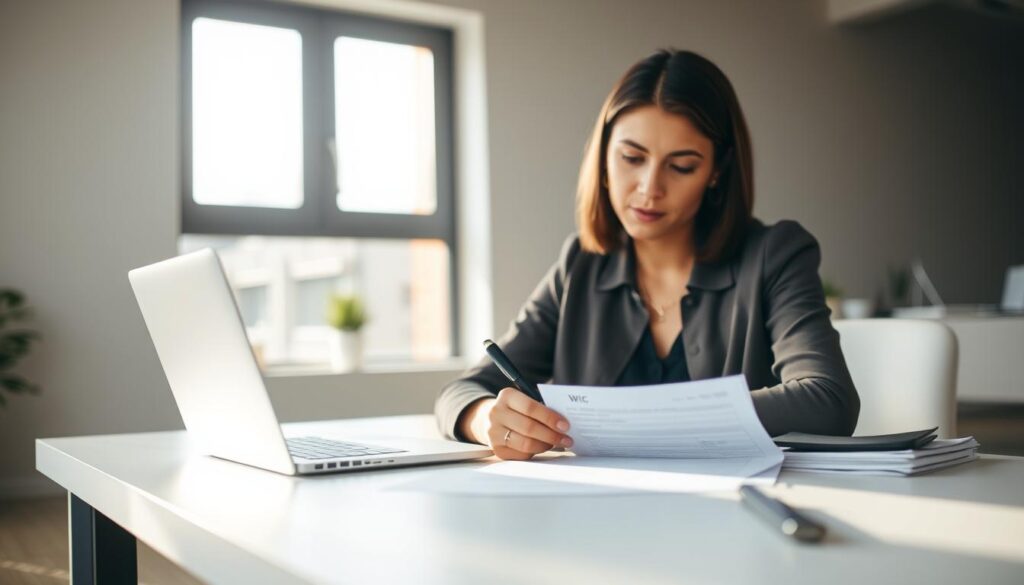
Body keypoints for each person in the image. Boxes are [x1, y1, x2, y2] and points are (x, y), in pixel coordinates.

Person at [435, 49, 859, 461]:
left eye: (682, 166)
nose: (649, 188)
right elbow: (462, 392)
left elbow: (828, 399)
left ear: (716, 171)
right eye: (632, 158)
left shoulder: (775, 255)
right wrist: (487, 418)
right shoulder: (581, 264)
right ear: (603, 157)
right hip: (595, 517)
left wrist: (650, 420)